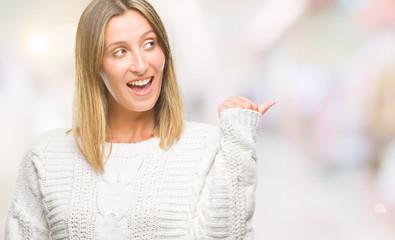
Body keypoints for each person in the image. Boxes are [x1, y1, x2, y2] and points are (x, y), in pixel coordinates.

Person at [5, 0, 275, 239]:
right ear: (94, 65)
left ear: (164, 53)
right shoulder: (44, 156)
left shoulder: (208, 145)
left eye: (149, 44)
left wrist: (239, 142)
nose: (141, 64)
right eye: (119, 51)